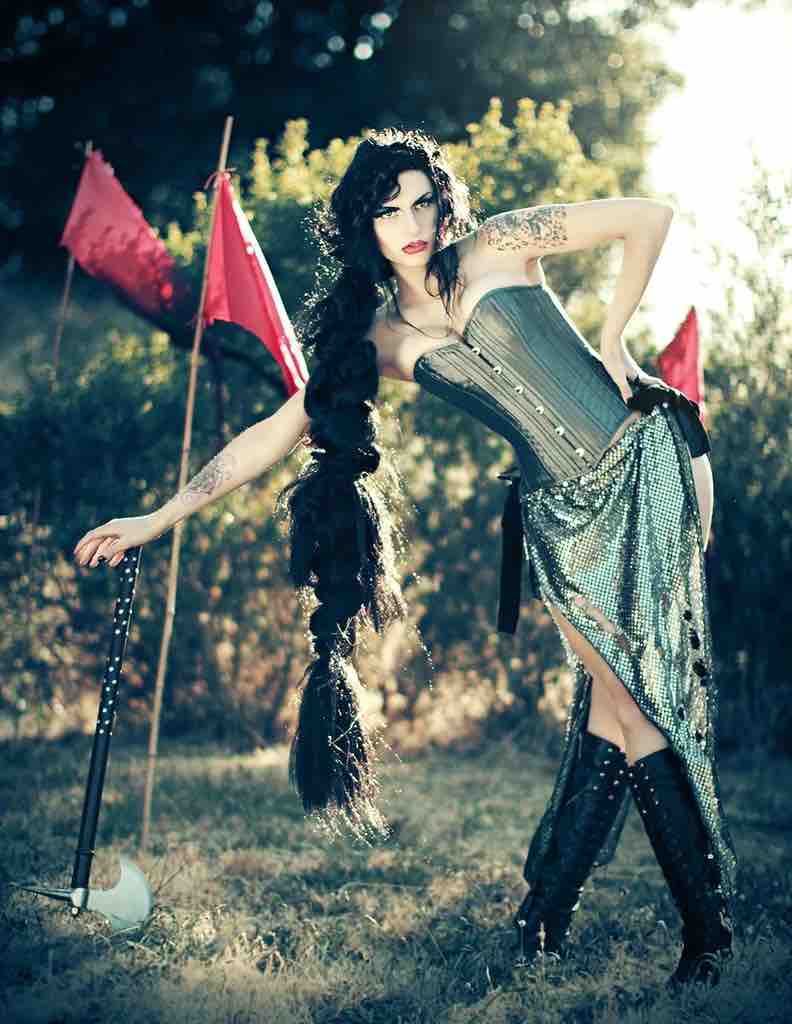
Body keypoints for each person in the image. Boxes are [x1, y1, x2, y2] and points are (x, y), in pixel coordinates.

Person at [72, 128, 737, 989]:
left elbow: (648, 217)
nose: (413, 222)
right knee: (615, 707)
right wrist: (160, 515)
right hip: (558, 516)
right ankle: (547, 915)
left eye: (423, 201)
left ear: (444, 200)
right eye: (390, 210)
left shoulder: (500, 243)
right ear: (365, 225)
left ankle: (703, 937)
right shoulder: (379, 338)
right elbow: (274, 434)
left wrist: (614, 341)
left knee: (637, 701)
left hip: (643, 463)